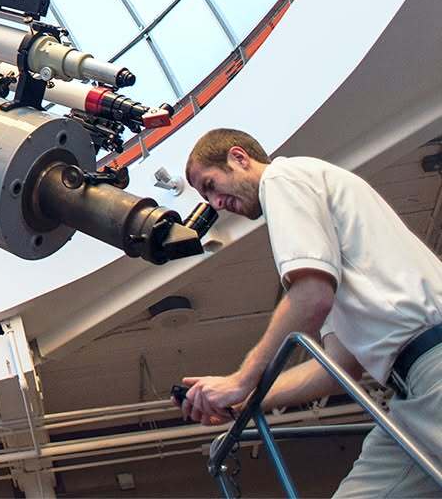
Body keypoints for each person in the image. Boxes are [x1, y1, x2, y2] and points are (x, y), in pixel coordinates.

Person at [177, 127, 442, 497]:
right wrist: (243, 401)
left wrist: (242, 378)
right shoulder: (328, 237)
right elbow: (337, 367)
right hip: (412, 390)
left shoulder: (284, 179)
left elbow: (311, 295)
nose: (216, 204)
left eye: (211, 185)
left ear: (239, 158)